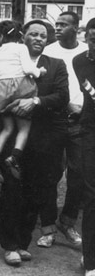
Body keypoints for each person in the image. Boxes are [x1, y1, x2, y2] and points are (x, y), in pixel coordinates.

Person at [0, 19, 69, 266]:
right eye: (33, 34)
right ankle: (10, 245)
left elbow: (61, 96)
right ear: (22, 36)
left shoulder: (56, 66)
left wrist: (35, 102)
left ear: (47, 40)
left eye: (43, 35)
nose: (38, 38)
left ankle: (23, 242)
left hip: (42, 141)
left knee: (34, 195)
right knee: (11, 193)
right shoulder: (8, 60)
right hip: (14, 141)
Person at [37, 11, 87, 248]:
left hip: (82, 121)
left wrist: (84, 108)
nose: (57, 28)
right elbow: (45, 87)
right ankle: (47, 226)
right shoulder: (48, 52)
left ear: (76, 29)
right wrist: (67, 103)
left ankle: (67, 221)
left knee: (78, 175)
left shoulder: (87, 51)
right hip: (54, 119)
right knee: (49, 173)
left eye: (63, 25)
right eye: (56, 24)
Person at [0, 20, 46, 179]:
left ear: (0, 36)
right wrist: (39, 72)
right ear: (20, 35)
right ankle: (14, 157)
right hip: (19, 88)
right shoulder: (21, 48)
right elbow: (27, 68)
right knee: (23, 129)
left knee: (7, 129)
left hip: (0, 91)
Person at [74, 17, 95, 276]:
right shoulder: (79, 62)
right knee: (92, 197)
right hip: (91, 133)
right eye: (92, 37)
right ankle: (90, 259)